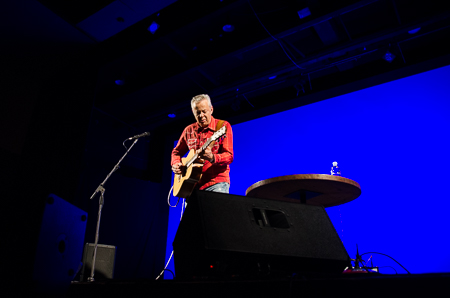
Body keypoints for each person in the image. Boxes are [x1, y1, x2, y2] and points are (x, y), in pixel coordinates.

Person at [171, 94, 233, 194]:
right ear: (193, 112)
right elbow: (176, 152)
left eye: (204, 111)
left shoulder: (222, 126)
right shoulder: (189, 130)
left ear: (211, 109)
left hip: (216, 183)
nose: (201, 116)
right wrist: (176, 163)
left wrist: (212, 157)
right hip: (191, 185)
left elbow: (229, 156)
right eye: (197, 113)